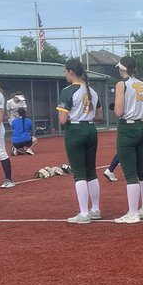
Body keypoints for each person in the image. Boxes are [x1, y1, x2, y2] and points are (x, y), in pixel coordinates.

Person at [57, 59, 102, 224]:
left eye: (65, 72)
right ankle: (95, 209)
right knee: (91, 172)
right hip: (90, 129)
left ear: (71, 72)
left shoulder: (68, 91)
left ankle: (84, 213)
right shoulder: (93, 91)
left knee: (79, 174)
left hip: (75, 130)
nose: (65, 75)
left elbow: (62, 120)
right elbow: (99, 116)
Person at [113, 56, 143, 223]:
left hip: (127, 127)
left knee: (130, 173)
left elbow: (118, 112)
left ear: (121, 68)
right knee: (142, 172)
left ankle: (133, 213)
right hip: (140, 127)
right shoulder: (142, 85)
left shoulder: (122, 84)